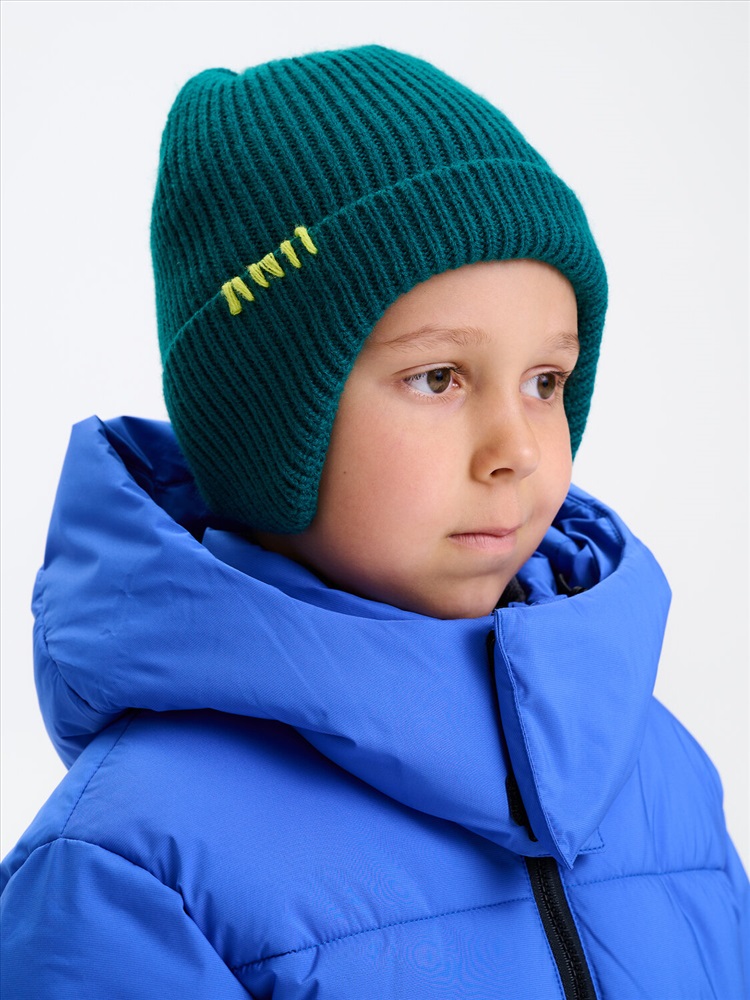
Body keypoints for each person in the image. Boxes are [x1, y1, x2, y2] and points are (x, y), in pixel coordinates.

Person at [1, 44, 747, 999]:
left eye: (545, 381)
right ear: (273, 426)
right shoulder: (131, 870)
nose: (515, 449)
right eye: (439, 378)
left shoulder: (655, 767)